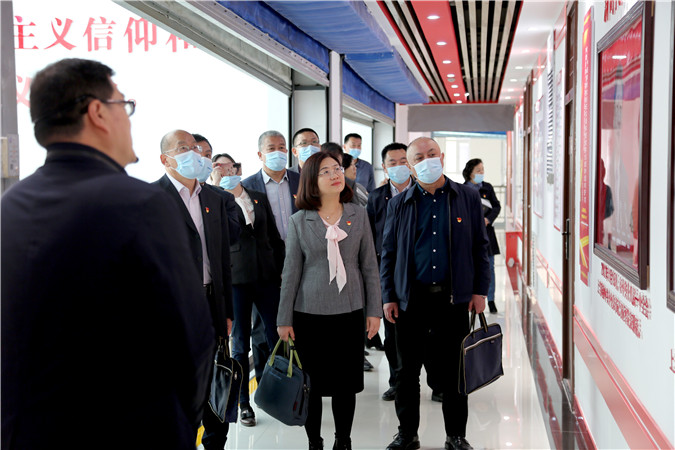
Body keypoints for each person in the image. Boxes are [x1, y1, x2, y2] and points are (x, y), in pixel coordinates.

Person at [1, 58, 215, 449]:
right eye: (123, 105)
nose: (128, 120)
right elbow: (192, 338)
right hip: (127, 428)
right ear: (98, 112)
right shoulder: (140, 203)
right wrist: (179, 424)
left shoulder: (10, 206)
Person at [380, 137, 490, 450]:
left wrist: (480, 290)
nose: (427, 161)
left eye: (432, 154)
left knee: (454, 371)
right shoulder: (399, 204)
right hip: (410, 300)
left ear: (441, 157)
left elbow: (480, 246)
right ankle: (407, 434)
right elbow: (388, 253)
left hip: (452, 299)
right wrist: (388, 295)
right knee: (406, 372)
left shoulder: (466, 197)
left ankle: (456, 435)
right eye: (419, 158)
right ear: (410, 166)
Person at [277, 152, 382, 450]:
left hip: (350, 310)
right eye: (325, 171)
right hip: (308, 313)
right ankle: (315, 441)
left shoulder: (358, 214)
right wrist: (284, 319)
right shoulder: (299, 221)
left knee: (345, 384)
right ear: (312, 180)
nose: (335, 174)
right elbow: (290, 272)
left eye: (337, 168)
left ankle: (343, 441)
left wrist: (374, 310)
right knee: (311, 384)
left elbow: (369, 266)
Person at [154, 130, 234, 450]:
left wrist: (227, 311)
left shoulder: (213, 197)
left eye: (195, 148)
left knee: (216, 378)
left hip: (211, 301)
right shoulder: (152, 199)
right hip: (174, 308)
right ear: (165, 159)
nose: (193, 153)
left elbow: (223, 258)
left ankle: (216, 443)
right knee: (180, 385)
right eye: (183, 148)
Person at [216, 152, 285, 427]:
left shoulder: (256, 195)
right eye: (219, 168)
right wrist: (220, 191)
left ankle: (275, 393)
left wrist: (282, 269)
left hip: (267, 275)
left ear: (238, 168)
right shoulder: (217, 199)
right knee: (240, 343)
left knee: (275, 335)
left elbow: (273, 236)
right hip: (237, 279)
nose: (226, 171)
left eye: (229, 166)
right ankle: (243, 402)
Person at [366, 142, 412, 402]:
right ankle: (397, 381)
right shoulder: (376, 197)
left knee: (427, 332)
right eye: (392, 162)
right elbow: (370, 236)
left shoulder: (423, 191)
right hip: (388, 272)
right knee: (393, 332)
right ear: (384, 167)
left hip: (419, 272)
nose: (398, 166)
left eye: (403, 161)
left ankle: (437, 382)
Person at [241, 130, 300, 241]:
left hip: (299, 248)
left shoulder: (301, 181)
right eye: (271, 149)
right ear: (260, 155)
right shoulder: (247, 186)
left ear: (286, 151)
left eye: (281, 148)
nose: (277, 152)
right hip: (266, 248)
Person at [463, 158, 502, 314]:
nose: (481, 173)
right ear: (470, 172)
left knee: (489, 268)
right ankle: (470, 296)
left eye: (482, 170)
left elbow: (496, 206)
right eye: (478, 170)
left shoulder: (487, 188)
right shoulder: (463, 189)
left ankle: (490, 299)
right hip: (468, 235)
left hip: (487, 234)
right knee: (469, 267)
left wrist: (488, 219)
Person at [193, 133, 241, 245]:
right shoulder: (168, 194)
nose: (203, 160)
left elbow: (232, 236)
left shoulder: (223, 197)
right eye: (198, 155)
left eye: (207, 155)